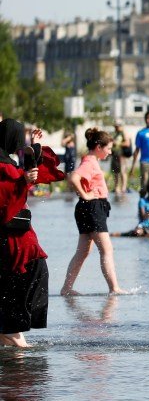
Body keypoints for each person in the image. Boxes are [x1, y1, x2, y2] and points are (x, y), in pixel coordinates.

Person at [0, 120, 65, 347]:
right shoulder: (4, 167)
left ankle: (14, 345)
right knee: (16, 298)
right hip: (14, 244)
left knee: (13, 299)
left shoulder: (9, 164)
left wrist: (35, 148)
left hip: (17, 243)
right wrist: (22, 180)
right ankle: (17, 351)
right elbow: (8, 195)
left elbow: (30, 175)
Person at [60, 128, 129, 296]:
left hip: (89, 208)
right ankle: (114, 288)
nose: (110, 152)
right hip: (92, 208)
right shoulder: (89, 162)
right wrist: (85, 194)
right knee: (107, 249)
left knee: (83, 251)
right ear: (98, 147)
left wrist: (85, 195)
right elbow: (74, 177)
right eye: (108, 148)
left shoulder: (90, 160)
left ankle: (66, 288)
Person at [110, 121, 130, 195]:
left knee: (122, 171)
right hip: (115, 155)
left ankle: (123, 187)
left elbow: (127, 143)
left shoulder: (123, 133)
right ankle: (116, 187)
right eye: (115, 126)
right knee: (115, 171)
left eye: (117, 126)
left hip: (121, 155)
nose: (116, 127)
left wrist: (117, 143)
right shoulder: (115, 134)